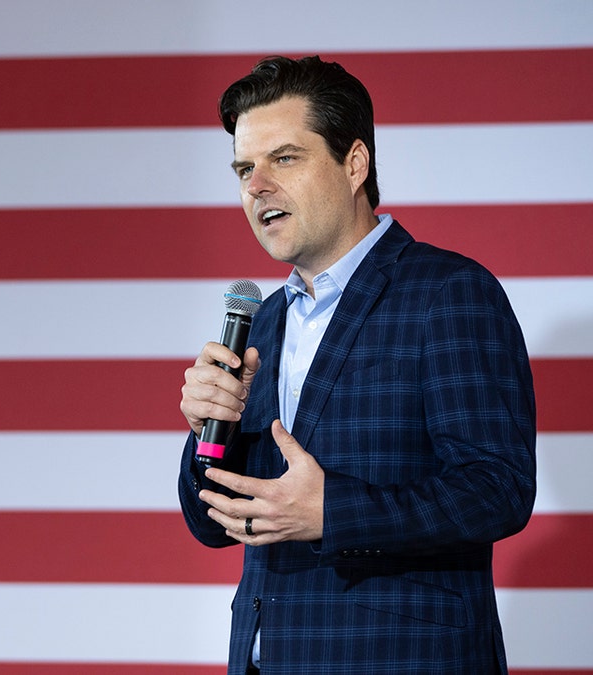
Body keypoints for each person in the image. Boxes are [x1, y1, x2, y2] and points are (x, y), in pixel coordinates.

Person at [177, 55, 536, 674]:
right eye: (244, 168)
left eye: (283, 158)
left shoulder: (449, 291)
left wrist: (332, 512)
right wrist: (207, 430)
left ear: (354, 163)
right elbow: (213, 523)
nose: (256, 184)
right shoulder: (260, 321)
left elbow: (498, 489)